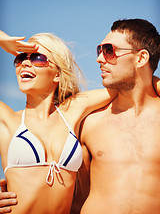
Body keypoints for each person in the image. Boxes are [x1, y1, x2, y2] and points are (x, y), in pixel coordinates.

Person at [0, 30, 117, 214]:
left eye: (37, 58)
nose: (25, 63)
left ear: (57, 75)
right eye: (21, 57)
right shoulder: (7, 119)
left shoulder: (73, 111)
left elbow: (132, 84)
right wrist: (3, 40)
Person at [77, 18, 160, 214]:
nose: (99, 59)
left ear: (141, 58)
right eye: (100, 50)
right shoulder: (89, 122)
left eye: (109, 50)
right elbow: (71, 196)